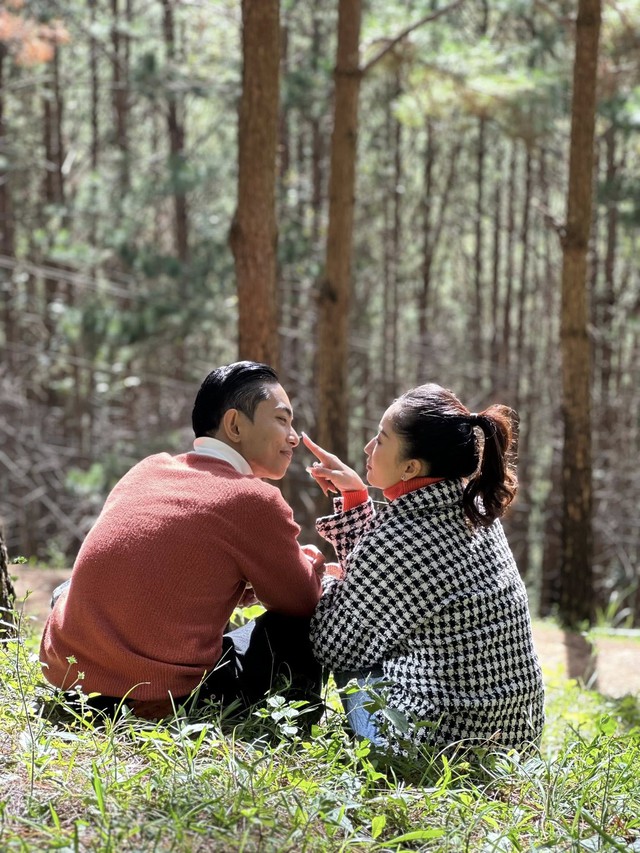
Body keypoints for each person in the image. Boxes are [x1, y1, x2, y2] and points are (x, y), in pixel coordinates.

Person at [40, 361, 325, 721]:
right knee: (301, 626)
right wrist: (310, 563)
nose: (294, 436)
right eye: (282, 420)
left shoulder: (149, 467)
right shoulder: (253, 498)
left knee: (69, 588)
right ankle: (295, 726)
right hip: (155, 700)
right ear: (235, 425)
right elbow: (301, 601)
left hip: (71, 683)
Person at [303, 383, 545, 753]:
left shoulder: (400, 539)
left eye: (381, 440)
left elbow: (332, 645)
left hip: (435, 745)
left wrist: (320, 577)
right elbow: (378, 585)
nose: (369, 448)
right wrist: (354, 496)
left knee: (346, 640)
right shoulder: (474, 511)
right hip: (516, 739)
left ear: (411, 467)